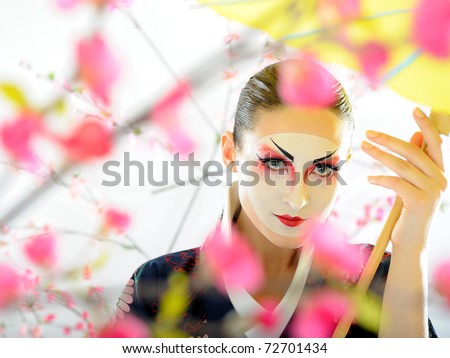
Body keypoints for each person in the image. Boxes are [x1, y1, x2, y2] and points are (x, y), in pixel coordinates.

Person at [113, 59, 446, 338]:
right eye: (274, 163)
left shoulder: (379, 278)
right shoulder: (158, 284)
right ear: (230, 152)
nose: (298, 199)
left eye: (323, 169)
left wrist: (411, 247)